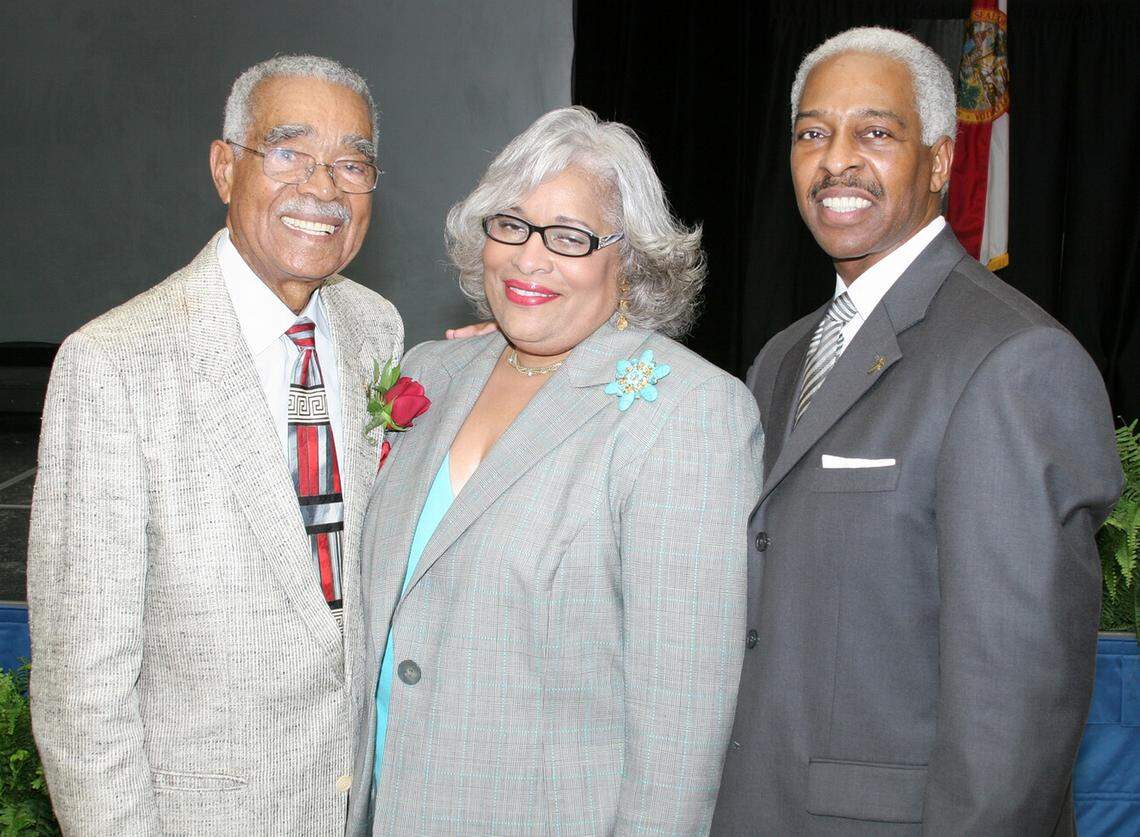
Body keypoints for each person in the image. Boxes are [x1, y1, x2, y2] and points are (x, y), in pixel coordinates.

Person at [712, 27, 1122, 835]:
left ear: (939, 162)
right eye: (812, 133)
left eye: (875, 132)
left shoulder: (1014, 360)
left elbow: (1015, 712)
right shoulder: (782, 357)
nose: (836, 161)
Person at [346, 106, 763, 835]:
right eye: (512, 224)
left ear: (629, 261)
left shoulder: (688, 413)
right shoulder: (431, 372)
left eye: (570, 236)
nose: (529, 258)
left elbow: (681, 734)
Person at [27, 54, 402, 834]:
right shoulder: (114, 364)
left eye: (352, 163)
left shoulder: (377, 329)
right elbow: (80, 691)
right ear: (226, 168)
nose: (324, 187)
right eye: (290, 152)